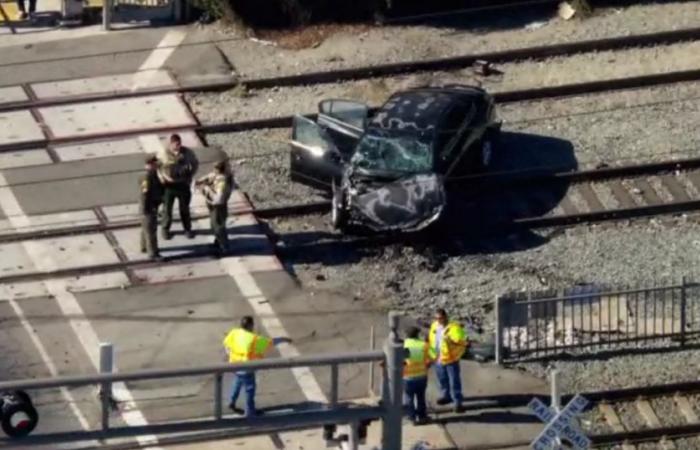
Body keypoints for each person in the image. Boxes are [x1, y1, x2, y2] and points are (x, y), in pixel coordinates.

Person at [222, 316, 272, 417]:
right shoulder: (255, 339)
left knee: (237, 382)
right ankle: (250, 411)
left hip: (234, 365)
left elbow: (226, 345)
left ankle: (231, 402)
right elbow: (260, 353)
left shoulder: (234, 332)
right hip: (247, 368)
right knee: (250, 389)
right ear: (250, 326)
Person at [157, 134, 199, 240]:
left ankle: (187, 229)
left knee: (184, 209)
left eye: (179, 144)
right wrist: (162, 177)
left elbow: (195, 163)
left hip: (183, 184)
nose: (178, 146)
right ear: (171, 144)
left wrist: (190, 175)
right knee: (167, 210)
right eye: (176, 144)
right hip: (169, 186)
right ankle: (165, 230)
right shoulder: (164, 153)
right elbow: (157, 166)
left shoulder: (187, 153)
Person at [428, 308, 468, 413]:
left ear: (445, 317)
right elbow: (432, 341)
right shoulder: (434, 326)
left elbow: (461, 340)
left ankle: (457, 402)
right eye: (436, 318)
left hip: (451, 359)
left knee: (454, 381)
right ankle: (446, 396)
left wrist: (452, 340)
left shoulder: (454, 328)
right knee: (442, 379)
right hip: (438, 358)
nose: (438, 320)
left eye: (440, 318)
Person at [196, 159, 233, 256]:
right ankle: (219, 241)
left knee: (218, 227)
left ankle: (224, 247)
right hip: (214, 205)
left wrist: (206, 189)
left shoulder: (222, 181)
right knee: (214, 225)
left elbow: (219, 198)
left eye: (216, 168)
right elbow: (208, 176)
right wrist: (200, 181)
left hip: (218, 206)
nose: (214, 170)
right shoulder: (216, 175)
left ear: (219, 169)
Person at [403, 326, 431, 425]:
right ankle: (422, 416)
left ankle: (411, 417)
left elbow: (401, 361)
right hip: (421, 376)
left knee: (409, 398)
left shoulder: (404, 345)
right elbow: (432, 356)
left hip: (408, 377)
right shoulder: (423, 345)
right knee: (421, 397)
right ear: (417, 334)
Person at [139, 155, 163, 261]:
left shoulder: (151, 174)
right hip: (149, 207)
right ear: (150, 164)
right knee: (150, 230)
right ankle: (153, 253)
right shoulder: (146, 177)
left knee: (145, 229)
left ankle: (144, 247)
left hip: (151, 206)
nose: (157, 165)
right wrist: (146, 209)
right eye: (155, 163)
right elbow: (144, 194)